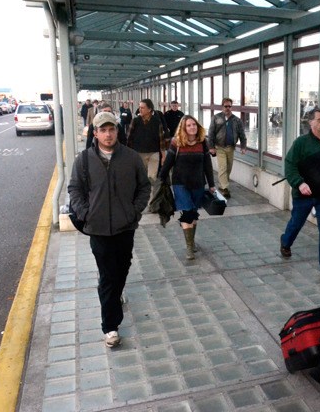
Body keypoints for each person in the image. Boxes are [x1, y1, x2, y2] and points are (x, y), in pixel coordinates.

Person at [68, 112, 151, 348]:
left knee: (122, 268)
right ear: (95, 133)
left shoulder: (132, 158)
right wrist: (86, 214)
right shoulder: (84, 160)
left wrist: (134, 212)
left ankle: (116, 294)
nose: (108, 134)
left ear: (117, 131)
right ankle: (111, 327)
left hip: (125, 227)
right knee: (107, 276)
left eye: (111, 129)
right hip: (99, 229)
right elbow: (75, 189)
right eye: (103, 130)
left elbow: (144, 188)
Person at [280, 107, 320, 281]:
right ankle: (286, 242)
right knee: (296, 223)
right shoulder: (301, 143)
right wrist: (299, 183)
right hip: (304, 195)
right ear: (311, 122)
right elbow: (290, 166)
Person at [159, 115, 215, 260]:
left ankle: (191, 240)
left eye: (194, 125)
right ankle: (189, 247)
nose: (192, 127)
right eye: (189, 125)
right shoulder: (176, 142)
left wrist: (212, 184)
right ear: (183, 128)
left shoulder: (203, 143)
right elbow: (168, 163)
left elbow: (207, 165)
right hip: (180, 183)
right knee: (188, 212)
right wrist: (160, 178)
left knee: (194, 213)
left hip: (198, 183)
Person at [127, 98, 171, 205]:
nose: (140, 109)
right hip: (139, 153)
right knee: (140, 178)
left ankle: (152, 202)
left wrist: (163, 156)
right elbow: (129, 138)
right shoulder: (135, 121)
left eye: (142, 107)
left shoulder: (156, 121)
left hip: (154, 153)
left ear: (149, 109)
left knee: (152, 177)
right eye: (139, 107)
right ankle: (138, 199)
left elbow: (161, 139)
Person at [207, 98, 247, 198]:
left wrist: (243, 146)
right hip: (219, 147)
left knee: (228, 168)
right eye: (226, 106)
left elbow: (242, 134)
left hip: (230, 148)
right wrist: (211, 147)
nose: (227, 108)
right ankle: (224, 188)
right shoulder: (216, 118)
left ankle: (222, 185)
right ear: (222, 106)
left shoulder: (236, 120)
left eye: (229, 106)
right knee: (223, 167)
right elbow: (211, 133)